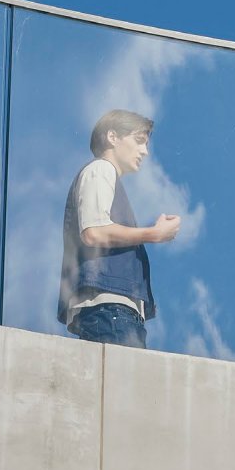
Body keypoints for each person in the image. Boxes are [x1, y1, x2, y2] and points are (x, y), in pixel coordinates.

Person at [58, 109, 183, 347]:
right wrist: (154, 234)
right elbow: (93, 232)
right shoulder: (100, 169)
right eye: (139, 141)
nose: (145, 151)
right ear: (112, 137)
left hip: (113, 311)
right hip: (110, 310)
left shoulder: (106, 176)